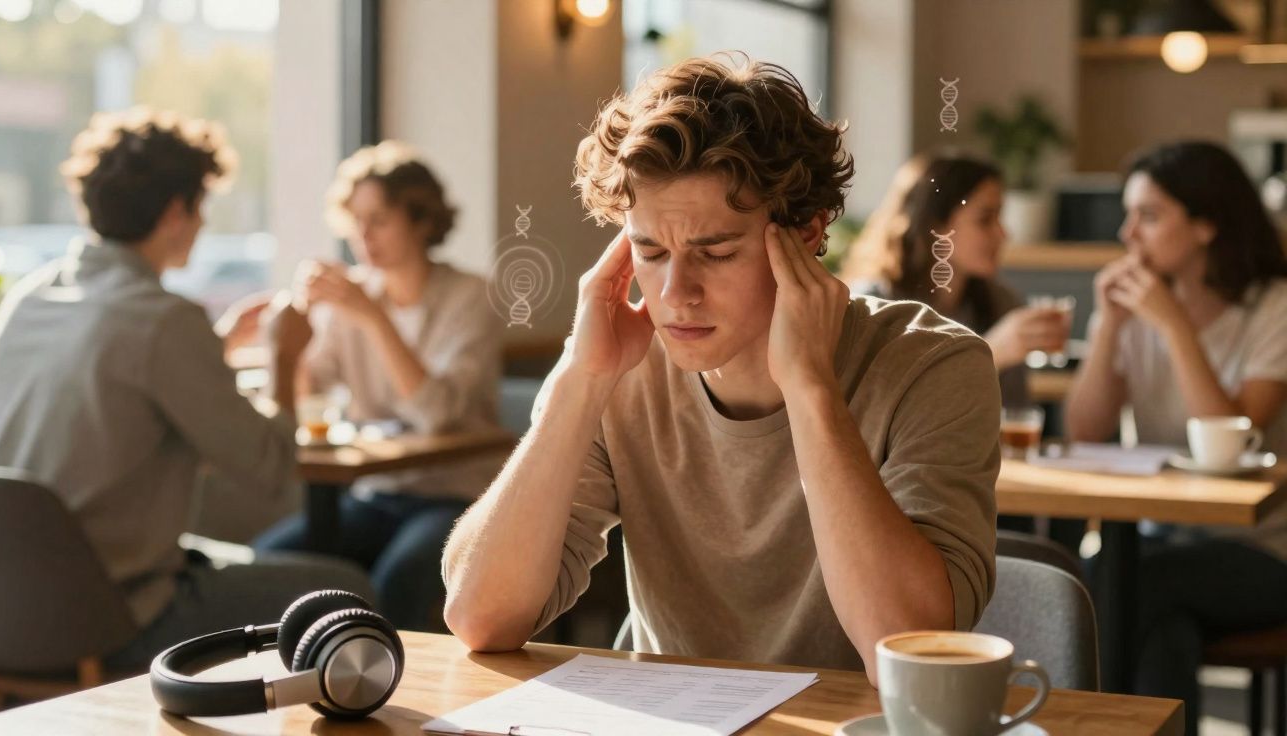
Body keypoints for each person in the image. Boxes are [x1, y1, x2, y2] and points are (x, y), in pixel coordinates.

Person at [440, 55, 1001, 680]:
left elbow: (906, 647)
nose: (677, 294)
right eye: (650, 252)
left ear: (809, 232)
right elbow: (480, 617)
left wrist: (811, 389)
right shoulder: (618, 370)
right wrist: (581, 378)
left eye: (717, 252)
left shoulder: (935, 365)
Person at [0, 108, 373, 674]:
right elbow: (269, 468)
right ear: (175, 212)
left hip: (1, 613)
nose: (202, 223)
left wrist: (212, 347)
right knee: (346, 594)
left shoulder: (28, 300)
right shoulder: (163, 322)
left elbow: (114, 394)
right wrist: (284, 356)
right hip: (114, 617)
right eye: (201, 207)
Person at [1065, 140, 1287, 732]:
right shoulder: (1133, 307)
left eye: (1150, 216)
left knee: (1121, 584)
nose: (1126, 232)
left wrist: (1172, 324)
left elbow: (1233, 438)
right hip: (1163, 539)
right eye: (1128, 213)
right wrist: (1110, 328)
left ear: (1206, 226)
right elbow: (1084, 429)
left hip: (1265, 547)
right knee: (1158, 622)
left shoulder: (1272, 309)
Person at [254, 141, 503, 631]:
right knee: (266, 562)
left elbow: (437, 414)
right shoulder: (353, 301)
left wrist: (372, 318)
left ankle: (386, 691)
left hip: (454, 496)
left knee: (399, 579)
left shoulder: (467, 297)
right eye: (356, 220)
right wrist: (291, 335)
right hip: (374, 494)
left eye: (380, 219)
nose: (363, 236)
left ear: (423, 221)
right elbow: (309, 395)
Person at [841, 153, 1070, 409]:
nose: (1003, 233)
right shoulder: (873, 306)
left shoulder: (1001, 304)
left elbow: (1015, 416)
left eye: (1000, 217)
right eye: (985, 219)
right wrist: (991, 352)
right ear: (937, 227)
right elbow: (878, 414)